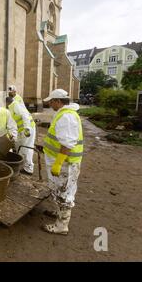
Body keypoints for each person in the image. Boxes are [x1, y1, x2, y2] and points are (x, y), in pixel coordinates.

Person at [41, 89, 84, 235]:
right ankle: (58, 212)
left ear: (58, 101)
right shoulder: (63, 114)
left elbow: (67, 143)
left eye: (51, 102)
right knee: (58, 188)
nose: (50, 104)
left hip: (66, 163)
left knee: (64, 192)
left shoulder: (67, 117)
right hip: (62, 161)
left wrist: (58, 163)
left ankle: (61, 226)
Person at [6, 96, 37, 175]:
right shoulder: (12, 107)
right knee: (19, 146)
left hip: (27, 129)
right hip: (22, 130)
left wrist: (27, 129)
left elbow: (25, 115)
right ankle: (22, 165)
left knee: (27, 148)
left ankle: (29, 169)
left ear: (7, 102)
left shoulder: (15, 105)